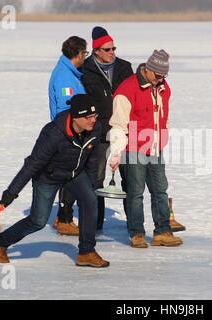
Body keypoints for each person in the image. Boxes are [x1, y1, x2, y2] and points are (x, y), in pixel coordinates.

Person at [0, 94, 109, 267]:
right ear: (76, 116)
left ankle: (86, 252)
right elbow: (32, 164)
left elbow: (93, 159)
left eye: (94, 116)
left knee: (90, 200)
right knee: (38, 221)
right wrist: (10, 195)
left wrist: (93, 184)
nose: (93, 120)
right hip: (47, 177)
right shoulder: (53, 133)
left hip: (74, 173)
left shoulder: (95, 128)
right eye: (88, 117)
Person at [108, 49, 183, 248]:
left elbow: (162, 116)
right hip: (134, 148)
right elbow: (118, 125)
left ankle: (163, 231)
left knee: (160, 191)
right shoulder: (127, 90)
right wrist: (116, 153)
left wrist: (163, 137)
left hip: (155, 147)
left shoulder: (163, 87)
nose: (161, 79)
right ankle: (137, 233)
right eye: (158, 75)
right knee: (136, 193)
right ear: (148, 70)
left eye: (164, 76)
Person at [81, 26, 133, 230]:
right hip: (99, 133)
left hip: (123, 131)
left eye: (113, 48)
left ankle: (134, 224)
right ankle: (96, 222)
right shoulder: (86, 70)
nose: (112, 52)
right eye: (107, 49)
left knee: (129, 178)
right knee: (97, 178)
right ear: (96, 51)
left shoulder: (125, 68)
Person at [48, 36, 89, 236]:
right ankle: (64, 218)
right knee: (69, 176)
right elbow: (67, 109)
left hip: (72, 134)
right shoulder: (65, 77)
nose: (85, 57)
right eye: (85, 53)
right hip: (67, 136)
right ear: (78, 54)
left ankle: (64, 216)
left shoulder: (71, 73)